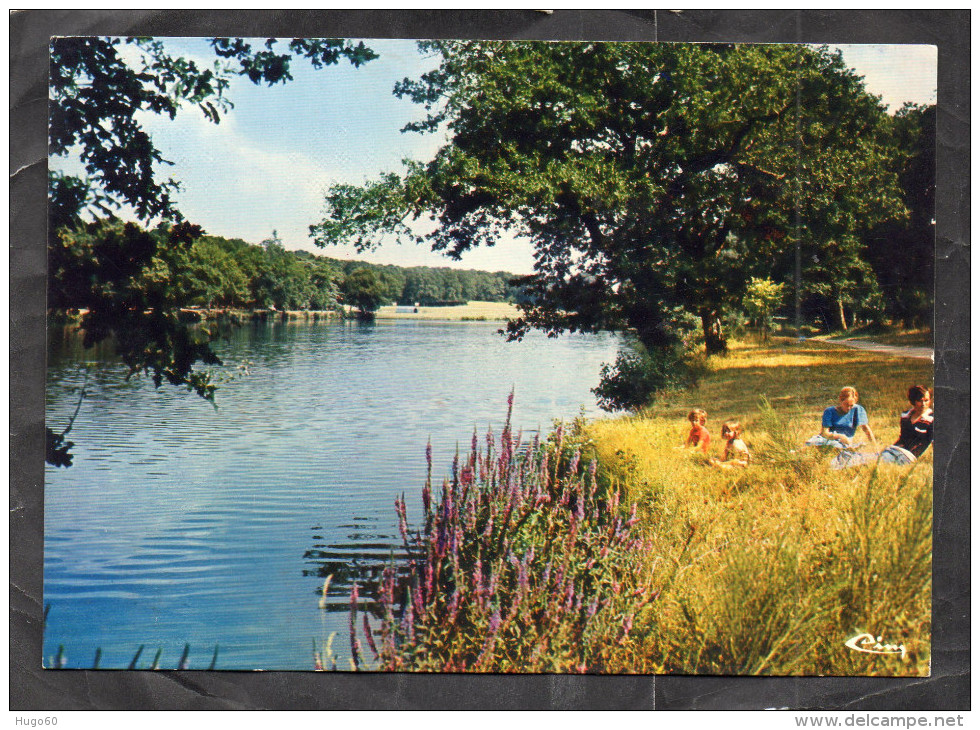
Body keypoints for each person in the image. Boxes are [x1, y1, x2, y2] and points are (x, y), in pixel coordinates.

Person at [832, 385, 933, 469]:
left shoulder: (932, 419)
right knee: (868, 456)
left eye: (926, 400)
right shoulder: (906, 415)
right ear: (913, 401)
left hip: (907, 456)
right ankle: (840, 462)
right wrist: (890, 449)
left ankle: (843, 466)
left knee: (871, 461)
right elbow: (902, 438)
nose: (924, 404)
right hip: (894, 450)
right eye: (920, 400)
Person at [805, 386, 877, 451]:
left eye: (851, 405)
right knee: (821, 445)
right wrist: (840, 436)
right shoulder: (829, 411)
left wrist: (875, 447)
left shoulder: (857, 410)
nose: (849, 408)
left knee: (861, 447)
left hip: (845, 443)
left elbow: (866, 430)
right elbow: (824, 433)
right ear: (840, 400)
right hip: (829, 439)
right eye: (846, 405)